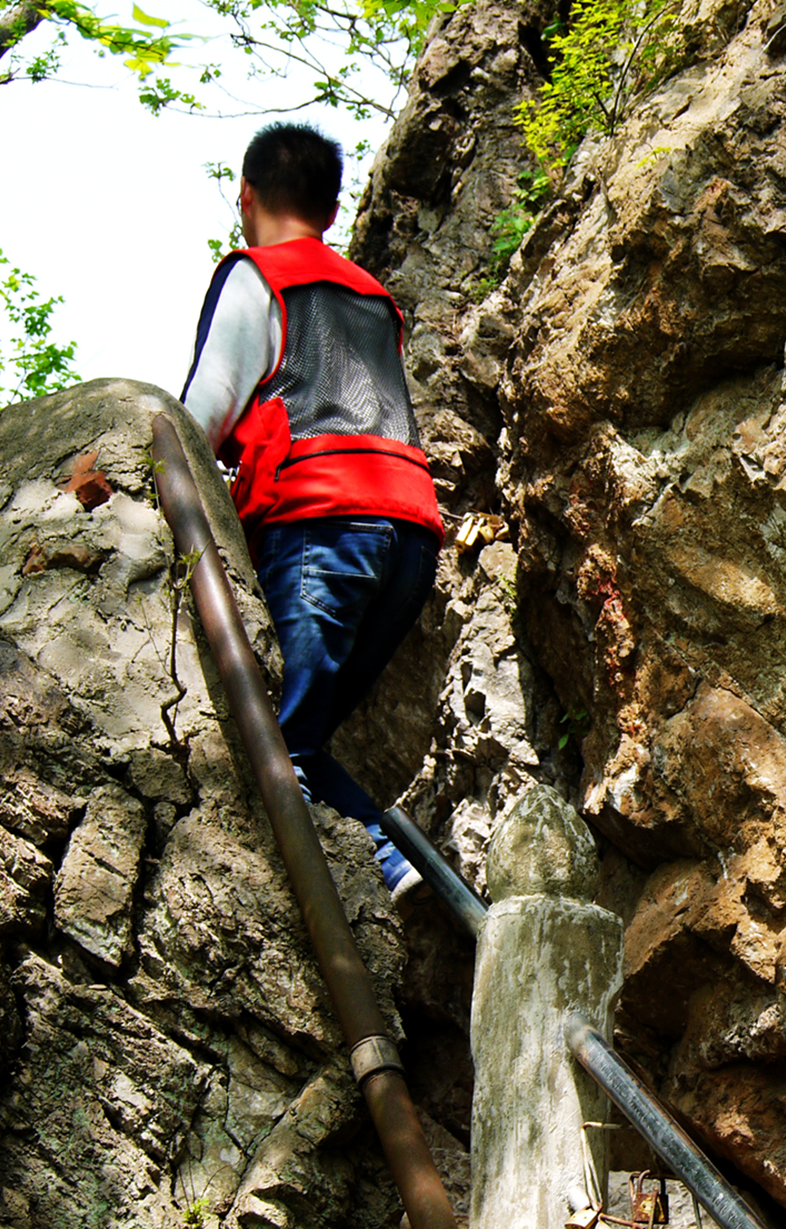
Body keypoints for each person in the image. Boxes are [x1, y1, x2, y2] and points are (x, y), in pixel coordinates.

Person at [182, 122, 442, 901]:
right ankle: (406, 865)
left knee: (273, 737)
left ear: (245, 195)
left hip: (321, 523)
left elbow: (203, 414)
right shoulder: (375, 299)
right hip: (408, 534)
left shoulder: (258, 276)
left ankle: (382, 865)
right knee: (303, 729)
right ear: (333, 214)